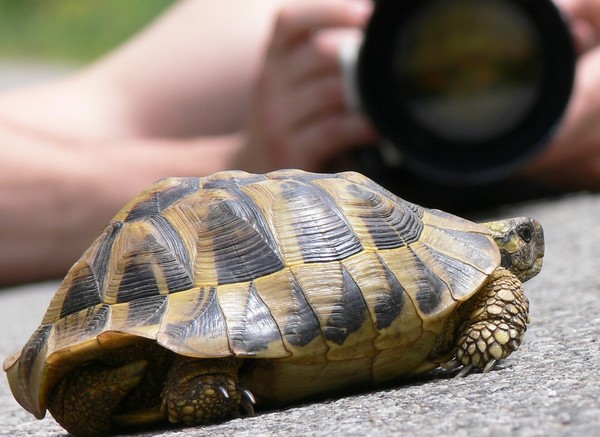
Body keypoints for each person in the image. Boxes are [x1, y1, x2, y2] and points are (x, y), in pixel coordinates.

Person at [0, 0, 597, 286]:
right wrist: (240, 169)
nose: (472, 75)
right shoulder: (315, 36)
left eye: (505, 66)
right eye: (440, 69)